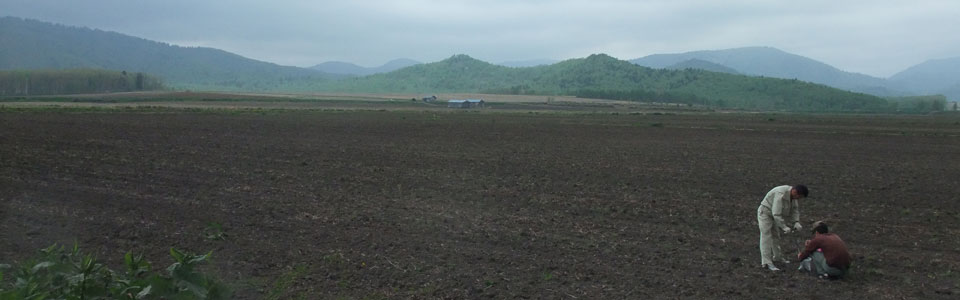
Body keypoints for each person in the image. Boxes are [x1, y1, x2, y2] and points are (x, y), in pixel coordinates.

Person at [757, 184, 808, 271]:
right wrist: (784, 227)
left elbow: (794, 210)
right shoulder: (780, 193)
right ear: (795, 191)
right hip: (765, 213)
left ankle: (777, 257)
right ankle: (766, 262)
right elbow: (776, 213)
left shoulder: (793, 196)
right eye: (799, 197)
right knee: (766, 236)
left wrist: (796, 222)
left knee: (776, 236)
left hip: (773, 216)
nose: (798, 199)